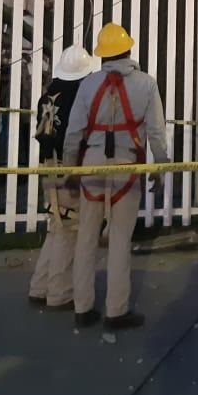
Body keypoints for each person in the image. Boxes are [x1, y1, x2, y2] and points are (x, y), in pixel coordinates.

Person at [64, 23, 168, 330]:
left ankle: (82, 308)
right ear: (129, 49)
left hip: (92, 162)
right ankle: (116, 311)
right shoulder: (147, 85)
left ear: (102, 55)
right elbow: (156, 133)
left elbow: (74, 131)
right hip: (127, 164)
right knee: (120, 239)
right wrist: (160, 168)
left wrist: (71, 169)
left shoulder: (87, 85)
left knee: (86, 237)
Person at [28, 45, 99, 310]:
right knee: (69, 229)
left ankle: (40, 286)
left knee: (57, 224)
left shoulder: (46, 96)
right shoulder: (79, 97)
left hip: (48, 166)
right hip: (67, 167)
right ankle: (59, 292)